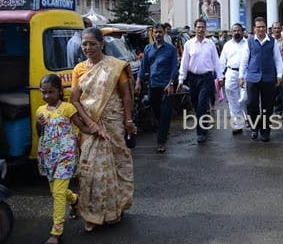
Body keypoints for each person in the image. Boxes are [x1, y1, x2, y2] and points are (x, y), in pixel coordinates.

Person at [70, 27, 136, 232]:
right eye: (84, 44)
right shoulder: (79, 69)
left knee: (116, 167)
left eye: (92, 43)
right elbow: (75, 100)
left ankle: (115, 209)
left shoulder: (115, 66)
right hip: (91, 128)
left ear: (102, 44)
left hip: (113, 124)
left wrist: (128, 120)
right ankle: (92, 214)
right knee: (90, 171)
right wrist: (90, 124)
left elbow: (126, 96)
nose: (88, 48)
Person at [36, 74, 94, 244]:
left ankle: (56, 232)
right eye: (43, 92)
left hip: (66, 155)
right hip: (48, 156)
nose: (47, 96)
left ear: (60, 91)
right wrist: (40, 124)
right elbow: (39, 133)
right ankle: (75, 200)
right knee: (56, 191)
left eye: (51, 92)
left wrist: (95, 130)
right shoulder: (40, 110)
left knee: (59, 193)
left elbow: (81, 126)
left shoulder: (68, 108)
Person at [177, 18, 223, 143]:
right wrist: (181, 79)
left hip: (207, 78)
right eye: (198, 27)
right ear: (195, 28)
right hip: (193, 78)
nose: (201, 29)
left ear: (205, 29)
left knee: (202, 103)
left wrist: (220, 77)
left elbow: (216, 61)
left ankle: (201, 132)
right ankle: (204, 119)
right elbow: (184, 62)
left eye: (203, 27)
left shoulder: (210, 44)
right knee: (196, 104)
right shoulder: (189, 44)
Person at [135, 24, 179, 153]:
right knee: (157, 112)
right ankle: (164, 130)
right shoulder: (148, 49)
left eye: (160, 32)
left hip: (166, 86)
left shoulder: (171, 49)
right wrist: (138, 82)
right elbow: (143, 67)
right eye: (156, 32)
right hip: (153, 85)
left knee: (165, 114)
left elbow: (174, 68)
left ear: (164, 33)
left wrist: (171, 83)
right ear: (153, 33)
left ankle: (161, 142)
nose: (158, 34)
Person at [238, 16, 283, 142]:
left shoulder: (272, 42)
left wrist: (279, 75)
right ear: (254, 28)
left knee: (267, 106)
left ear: (266, 28)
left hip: (269, 78)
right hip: (252, 77)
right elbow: (244, 60)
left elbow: (278, 60)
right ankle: (254, 128)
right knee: (252, 104)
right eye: (258, 27)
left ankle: (265, 131)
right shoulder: (250, 41)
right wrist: (241, 76)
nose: (261, 29)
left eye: (263, 26)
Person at [219, 23, 247, 134]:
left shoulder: (248, 44)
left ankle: (248, 119)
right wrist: (220, 76)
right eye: (234, 30)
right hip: (231, 73)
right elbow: (222, 61)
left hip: (245, 74)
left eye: (238, 30)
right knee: (232, 101)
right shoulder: (227, 45)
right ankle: (237, 125)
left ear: (242, 31)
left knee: (245, 99)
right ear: (231, 32)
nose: (236, 32)